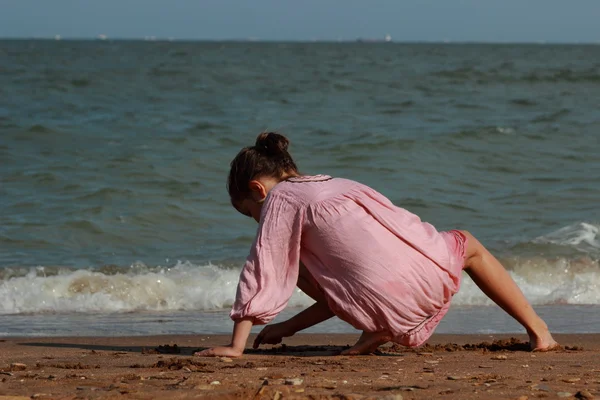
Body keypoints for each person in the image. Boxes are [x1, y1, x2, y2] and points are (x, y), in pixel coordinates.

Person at [195, 132, 558, 358]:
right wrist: (285, 327)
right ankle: (539, 331)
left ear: (258, 190)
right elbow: (365, 265)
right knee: (469, 244)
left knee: (297, 262)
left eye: (251, 214)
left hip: (389, 303)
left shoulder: (280, 200)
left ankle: (378, 326)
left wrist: (237, 345)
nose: (259, 222)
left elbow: (263, 270)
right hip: (437, 276)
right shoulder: (338, 184)